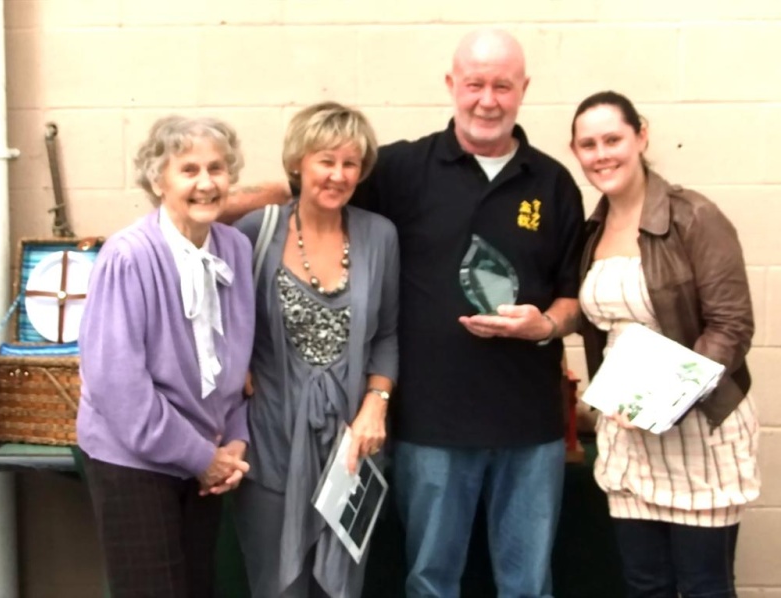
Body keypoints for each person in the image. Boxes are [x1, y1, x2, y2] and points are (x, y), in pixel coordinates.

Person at [225, 28, 584, 598]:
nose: (487, 99)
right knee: (430, 581)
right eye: (474, 84)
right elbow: (320, 187)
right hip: (430, 428)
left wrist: (546, 325)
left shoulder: (555, 183)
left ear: (523, 90)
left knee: (527, 585)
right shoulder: (400, 169)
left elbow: (572, 298)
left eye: (502, 85)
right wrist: (208, 200)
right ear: (451, 85)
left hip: (529, 428)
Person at [571, 90, 760, 598]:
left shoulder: (694, 217)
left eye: (613, 139)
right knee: (645, 586)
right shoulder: (591, 230)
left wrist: (663, 402)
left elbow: (731, 327)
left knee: (703, 587)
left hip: (698, 431)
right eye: (588, 144)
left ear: (642, 136)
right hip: (628, 439)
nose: (601, 153)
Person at [76, 115, 255, 598]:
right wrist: (204, 458)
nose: (206, 183)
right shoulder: (128, 257)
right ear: (159, 180)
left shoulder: (235, 250)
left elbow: (237, 366)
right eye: (189, 170)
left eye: (217, 169)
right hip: (134, 462)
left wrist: (234, 441)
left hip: (205, 459)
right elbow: (120, 389)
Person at [231, 101, 399, 598]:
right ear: (298, 164)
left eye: (350, 163)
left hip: (350, 447)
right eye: (326, 160)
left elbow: (388, 335)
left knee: (342, 588)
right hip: (270, 441)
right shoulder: (255, 232)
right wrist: (232, 363)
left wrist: (376, 404)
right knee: (275, 587)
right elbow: (214, 312)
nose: (338, 174)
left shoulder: (379, 235)